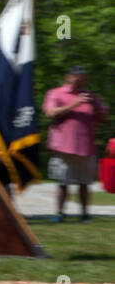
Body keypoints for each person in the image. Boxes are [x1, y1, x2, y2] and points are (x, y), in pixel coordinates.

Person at [43, 65, 108, 222]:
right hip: (63, 146)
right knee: (63, 182)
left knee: (84, 183)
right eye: (77, 77)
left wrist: (94, 105)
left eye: (83, 78)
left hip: (86, 147)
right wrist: (75, 104)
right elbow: (50, 112)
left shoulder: (92, 96)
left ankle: (85, 214)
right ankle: (59, 213)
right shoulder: (56, 93)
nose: (80, 81)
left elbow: (104, 117)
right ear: (69, 77)